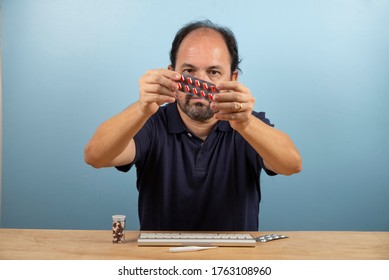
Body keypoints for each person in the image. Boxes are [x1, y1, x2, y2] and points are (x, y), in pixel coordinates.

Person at [84, 20, 302, 231]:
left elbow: (291, 164)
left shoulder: (247, 125)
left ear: (233, 78)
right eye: (189, 71)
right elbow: (96, 156)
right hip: (160, 262)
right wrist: (142, 107)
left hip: (234, 260)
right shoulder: (151, 123)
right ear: (171, 73)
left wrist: (246, 124)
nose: (201, 83)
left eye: (213, 72)